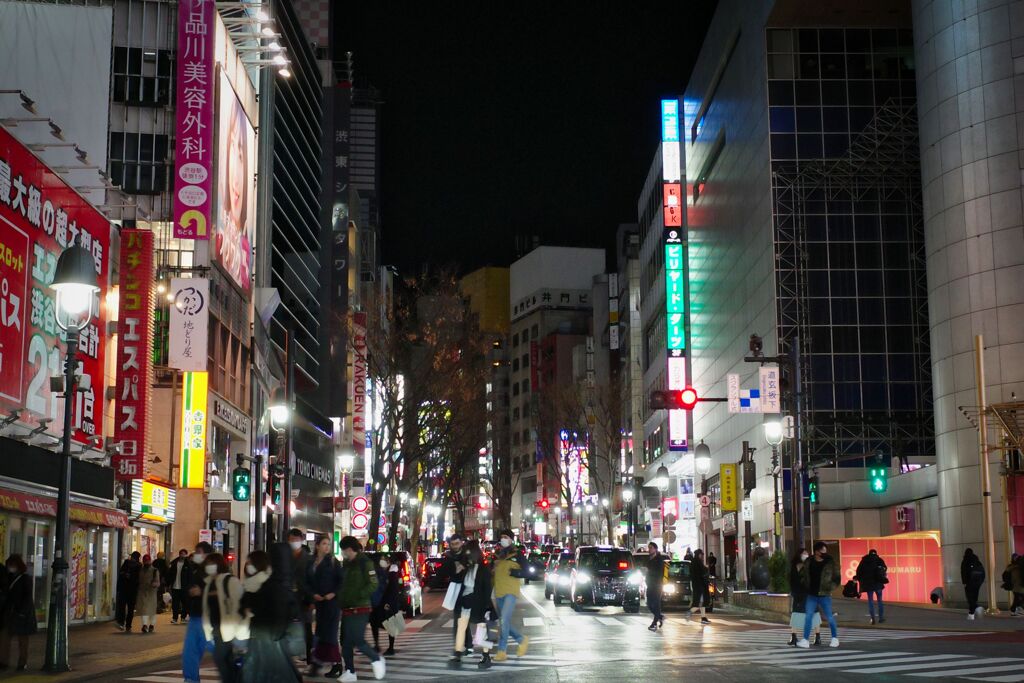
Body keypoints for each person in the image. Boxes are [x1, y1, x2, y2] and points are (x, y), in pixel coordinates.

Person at [238, 547, 302, 683]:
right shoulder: (280, 583)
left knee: (264, 673)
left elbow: (279, 611)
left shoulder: (270, 585)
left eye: (250, 562)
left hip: (266, 638)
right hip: (267, 637)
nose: (248, 566)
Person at [338, 536, 385, 681]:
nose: (343, 553)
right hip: (347, 607)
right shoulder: (346, 564)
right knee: (345, 641)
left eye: (344, 550)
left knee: (358, 640)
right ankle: (350, 671)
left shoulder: (365, 562)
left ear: (349, 549)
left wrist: (359, 594)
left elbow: (373, 584)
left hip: (361, 607)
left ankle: (376, 658)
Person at [448, 540, 496, 670]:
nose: (467, 554)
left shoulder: (483, 569)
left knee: (482, 630)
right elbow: (459, 582)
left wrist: (487, 606)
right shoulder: (467, 567)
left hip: (479, 603)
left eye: (468, 552)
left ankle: (486, 656)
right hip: (466, 602)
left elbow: (487, 589)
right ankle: (458, 654)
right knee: (461, 627)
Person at [201, 552, 244, 682]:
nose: (209, 567)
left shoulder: (230, 581)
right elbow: (206, 609)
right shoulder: (209, 584)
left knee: (221, 658)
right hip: (216, 628)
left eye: (211, 564)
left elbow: (239, 605)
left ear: (219, 565)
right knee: (226, 661)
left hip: (230, 628)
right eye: (207, 565)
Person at [306, 534, 343, 677]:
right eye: (324, 544)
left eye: (328, 544)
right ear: (317, 546)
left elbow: (341, 582)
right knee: (321, 634)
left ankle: (336, 664)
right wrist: (312, 595)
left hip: (332, 604)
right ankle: (318, 663)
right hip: (319, 604)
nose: (327, 547)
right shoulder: (311, 563)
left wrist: (333, 593)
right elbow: (307, 582)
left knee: (329, 635)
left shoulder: (333, 562)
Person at [492, 530, 529, 660]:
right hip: (498, 591)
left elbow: (526, 571)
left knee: (504, 620)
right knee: (504, 622)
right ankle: (521, 639)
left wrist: (514, 572)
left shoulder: (518, 554)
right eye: (501, 537)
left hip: (511, 592)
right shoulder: (497, 555)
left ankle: (502, 651)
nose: (503, 539)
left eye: (506, 537)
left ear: (511, 539)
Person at [797, 541, 840, 648]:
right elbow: (803, 574)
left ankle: (835, 638)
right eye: (822, 551)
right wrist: (804, 583)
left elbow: (837, 578)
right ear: (817, 552)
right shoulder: (809, 561)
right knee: (808, 617)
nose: (824, 553)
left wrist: (830, 587)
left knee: (829, 617)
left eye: (825, 551)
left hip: (824, 594)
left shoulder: (830, 562)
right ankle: (805, 640)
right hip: (811, 594)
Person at [182, 542, 214, 683]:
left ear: (207, 554)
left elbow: (223, 591)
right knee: (190, 652)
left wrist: (203, 592)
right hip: (195, 616)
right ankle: (191, 679)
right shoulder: (195, 570)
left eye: (199, 552)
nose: (196, 555)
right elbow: (189, 588)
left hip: (209, 617)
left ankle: (235, 672)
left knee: (218, 650)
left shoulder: (215, 571)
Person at [0, 555, 35, 671]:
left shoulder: (25, 579)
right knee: (4, 637)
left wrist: (23, 612)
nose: (10, 568)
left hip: (21, 613)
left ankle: (22, 662)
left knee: (22, 640)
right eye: (9, 565)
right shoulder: (8, 578)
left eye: (12, 565)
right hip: (10, 612)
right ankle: (4, 661)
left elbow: (27, 597)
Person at [439, 533, 471, 654]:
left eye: (457, 543)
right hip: (456, 591)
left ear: (461, 542)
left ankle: (467, 644)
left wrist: (465, 567)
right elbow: (441, 573)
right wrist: (429, 585)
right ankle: (462, 645)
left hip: (468, 589)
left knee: (467, 618)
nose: (455, 546)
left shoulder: (467, 555)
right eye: (452, 544)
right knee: (459, 618)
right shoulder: (448, 557)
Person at [287, 528, 314, 662]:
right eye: (292, 540)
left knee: (306, 629)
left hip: (304, 599)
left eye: (297, 540)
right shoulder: (284, 557)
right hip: (288, 600)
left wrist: (311, 600)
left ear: (302, 540)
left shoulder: (308, 559)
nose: (294, 542)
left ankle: (309, 656)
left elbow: (312, 580)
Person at [788, 548, 821, 646]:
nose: (805, 555)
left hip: (809, 594)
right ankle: (793, 637)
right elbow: (791, 580)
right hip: (798, 594)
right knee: (795, 614)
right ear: (799, 555)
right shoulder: (794, 566)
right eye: (803, 553)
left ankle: (817, 637)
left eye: (807, 554)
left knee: (814, 614)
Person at [370, 553, 401, 656]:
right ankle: (377, 645)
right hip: (379, 602)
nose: (382, 561)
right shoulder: (382, 571)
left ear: (388, 561)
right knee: (374, 623)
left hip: (387, 603)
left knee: (390, 624)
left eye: (384, 559)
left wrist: (388, 603)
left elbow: (393, 590)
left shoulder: (392, 573)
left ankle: (391, 648)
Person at [855, 548, 888, 625]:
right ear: (876, 553)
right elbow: (884, 568)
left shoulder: (864, 561)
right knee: (880, 601)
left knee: (870, 601)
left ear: (869, 553)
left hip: (869, 585)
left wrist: (861, 580)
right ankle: (881, 618)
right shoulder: (879, 560)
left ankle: (873, 619)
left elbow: (858, 571)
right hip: (878, 583)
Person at [116, 551, 142, 632]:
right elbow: (139, 579)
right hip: (133, 590)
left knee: (122, 606)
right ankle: (128, 626)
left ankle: (121, 623)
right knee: (131, 609)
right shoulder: (139, 565)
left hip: (124, 589)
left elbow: (121, 574)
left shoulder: (127, 562)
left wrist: (118, 588)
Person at [167, 548, 193, 624]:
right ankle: (174, 618)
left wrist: (189, 586)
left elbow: (190, 577)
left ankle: (183, 617)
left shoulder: (188, 565)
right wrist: (168, 584)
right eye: (181, 554)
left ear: (186, 555)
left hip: (184, 587)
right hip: (175, 586)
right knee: (175, 603)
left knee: (185, 603)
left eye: (184, 554)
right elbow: (170, 574)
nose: (182, 555)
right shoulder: (174, 563)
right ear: (179, 554)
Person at [136, 554, 161, 633]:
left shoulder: (155, 570)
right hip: (142, 592)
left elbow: (157, 581)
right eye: (145, 561)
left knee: (151, 610)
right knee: (144, 609)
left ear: (150, 561)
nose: (146, 562)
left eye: (148, 560)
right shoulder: (140, 570)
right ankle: (145, 625)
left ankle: (152, 625)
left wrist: (155, 584)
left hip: (151, 592)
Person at [645, 542, 666, 631]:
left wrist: (649, 571)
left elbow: (659, 573)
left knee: (656, 604)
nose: (649, 550)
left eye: (651, 548)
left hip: (657, 585)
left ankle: (654, 624)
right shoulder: (649, 559)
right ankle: (660, 617)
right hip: (650, 585)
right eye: (649, 548)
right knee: (649, 604)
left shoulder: (659, 560)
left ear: (655, 549)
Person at [687, 548, 711, 625]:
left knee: (702, 602)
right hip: (700, 585)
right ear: (699, 555)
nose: (702, 556)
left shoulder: (693, 562)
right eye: (701, 554)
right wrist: (706, 569)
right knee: (700, 602)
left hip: (696, 585)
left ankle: (703, 618)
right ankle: (690, 612)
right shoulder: (697, 562)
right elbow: (703, 572)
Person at [961, 548, 986, 620]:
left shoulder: (965, 560)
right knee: (975, 597)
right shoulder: (977, 560)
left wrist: (964, 582)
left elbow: (963, 572)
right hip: (978, 582)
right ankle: (971, 614)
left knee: (970, 598)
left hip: (969, 582)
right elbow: (982, 571)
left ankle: (977, 608)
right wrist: (981, 581)